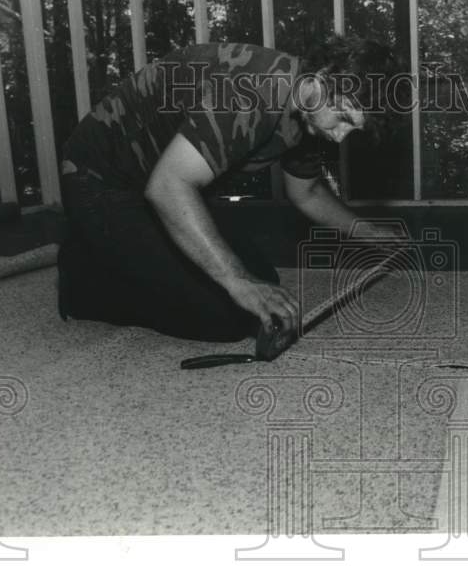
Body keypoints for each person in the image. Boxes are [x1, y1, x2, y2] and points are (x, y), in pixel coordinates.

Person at [57, 36, 398, 342]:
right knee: (227, 316)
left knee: (262, 280)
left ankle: (117, 252)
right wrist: (238, 283)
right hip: (100, 180)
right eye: (343, 118)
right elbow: (168, 186)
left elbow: (306, 192)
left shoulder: (308, 109)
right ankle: (83, 276)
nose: (341, 136)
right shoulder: (253, 90)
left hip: (161, 186)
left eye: (354, 129)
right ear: (324, 76)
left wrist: (369, 232)